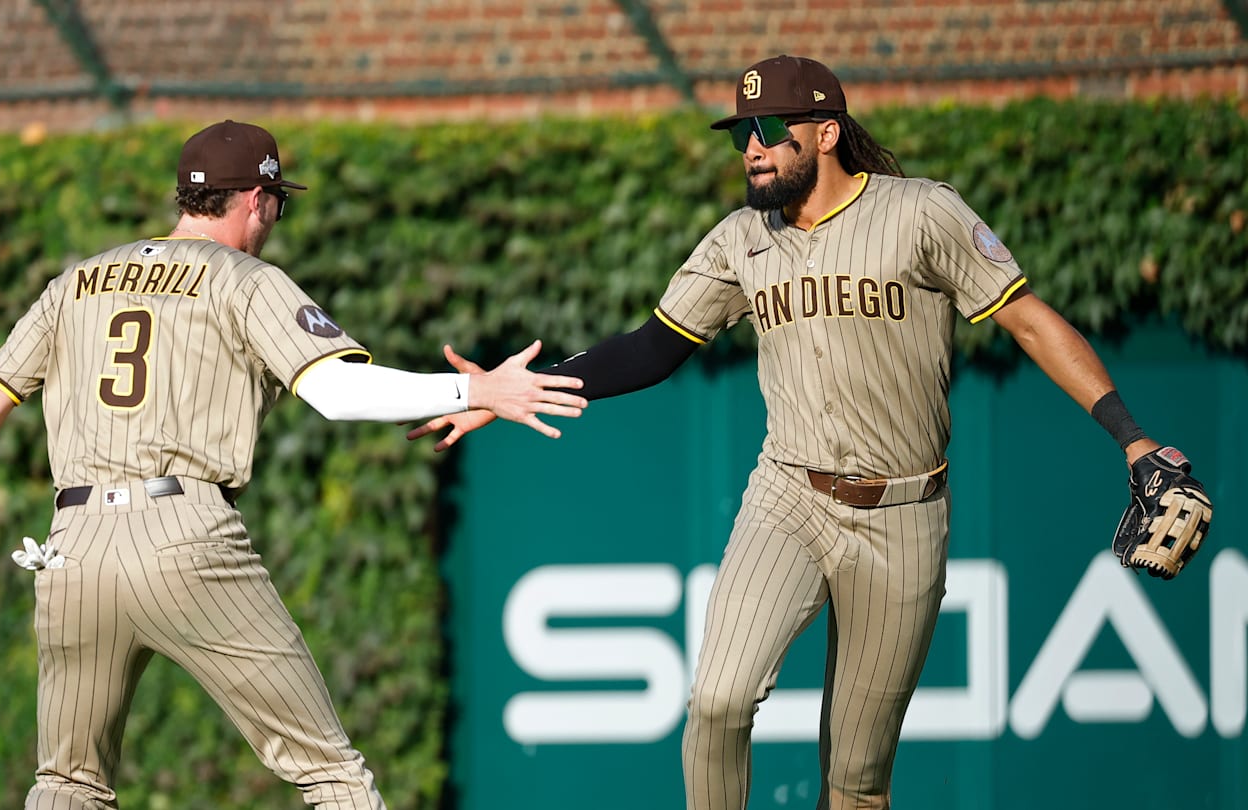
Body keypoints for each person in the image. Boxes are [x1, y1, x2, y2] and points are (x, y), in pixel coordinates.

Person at [408, 56, 1193, 809]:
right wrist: (506, 389)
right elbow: (652, 348)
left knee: (856, 783)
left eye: (770, 126)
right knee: (716, 702)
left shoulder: (919, 212)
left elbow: (1025, 318)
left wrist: (1131, 436)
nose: (751, 146)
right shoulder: (739, 241)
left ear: (824, 131)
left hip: (905, 515)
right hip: (790, 495)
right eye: (740, 132)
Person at [0, 119, 587, 809]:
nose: (278, 217)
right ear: (258, 198)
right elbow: (338, 394)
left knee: (68, 786)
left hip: (71, 549)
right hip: (184, 535)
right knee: (330, 773)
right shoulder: (246, 280)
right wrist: (479, 388)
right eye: (281, 201)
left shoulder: (78, 282)